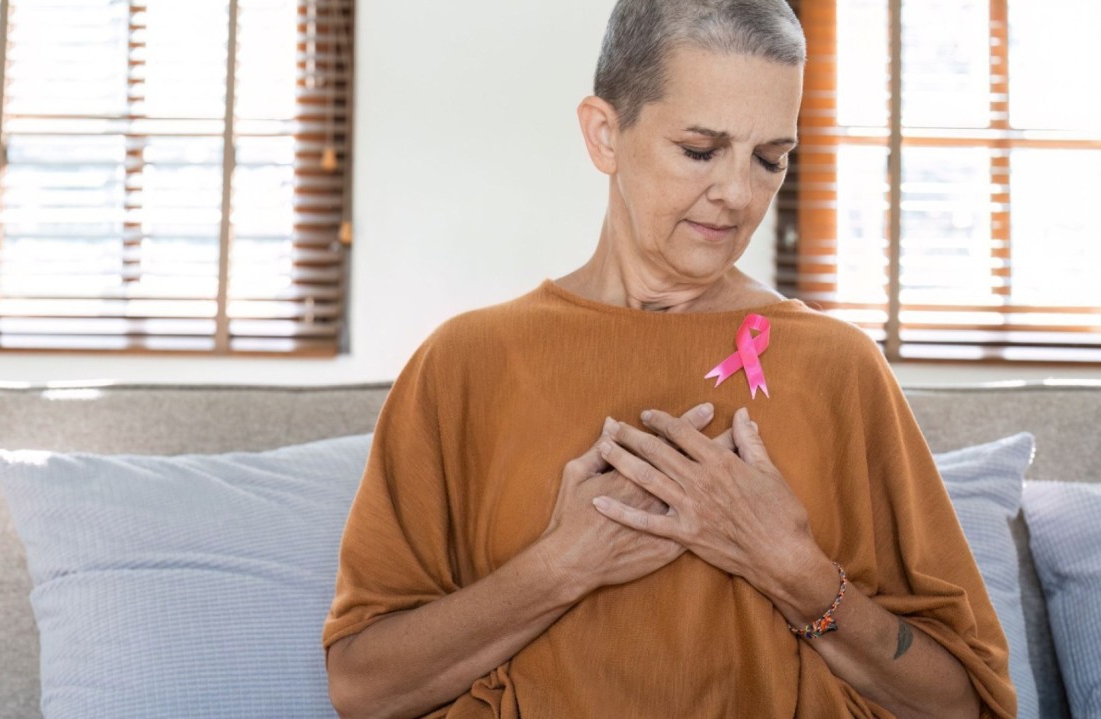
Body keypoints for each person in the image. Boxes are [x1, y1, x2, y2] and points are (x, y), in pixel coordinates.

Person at [323, 1, 1017, 717]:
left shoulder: (839, 367)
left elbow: (965, 702)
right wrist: (559, 568)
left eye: (770, 158)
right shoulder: (464, 364)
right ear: (604, 135)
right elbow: (364, 688)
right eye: (699, 149)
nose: (739, 194)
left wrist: (795, 570)